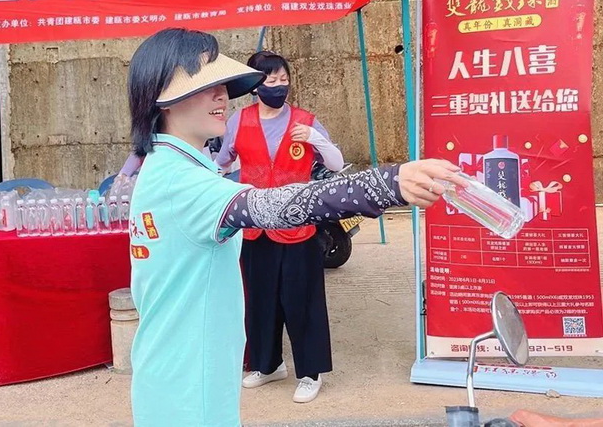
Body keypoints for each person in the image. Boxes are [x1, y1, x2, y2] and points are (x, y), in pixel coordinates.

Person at [126, 28, 463, 427]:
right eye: (206, 84)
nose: (222, 95)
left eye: (223, 85)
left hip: (179, 370)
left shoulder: (169, 166)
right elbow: (275, 205)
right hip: (188, 387)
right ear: (163, 97)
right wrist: (386, 184)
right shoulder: (180, 181)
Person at [214, 51, 343, 403]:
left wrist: (316, 139)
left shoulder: (305, 121)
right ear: (256, 86)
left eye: (283, 80)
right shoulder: (239, 121)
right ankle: (268, 365)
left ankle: (310, 373)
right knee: (260, 299)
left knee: (302, 300)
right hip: (255, 226)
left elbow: (336, 163)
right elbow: (222, 163)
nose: (279, 86)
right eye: (271, 80)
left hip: (298, 225)